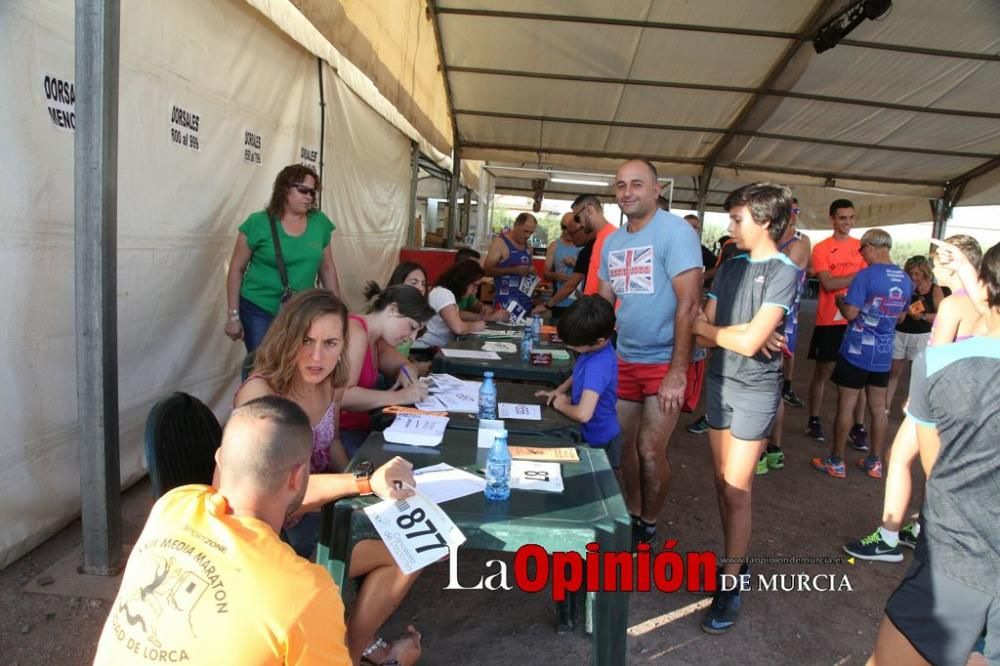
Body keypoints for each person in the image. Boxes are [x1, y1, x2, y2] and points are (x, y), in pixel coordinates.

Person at [95, 397, 421, 665]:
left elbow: (271, 493)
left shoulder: (174, 505)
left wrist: (361, 482)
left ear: (221, 459)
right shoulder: (306, 591)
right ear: (296, 477)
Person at [234, 290, 422, 664]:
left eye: (330, 343)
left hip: (317, 507)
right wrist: (363, 484)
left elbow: (331, 443)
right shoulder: (263, 393)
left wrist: (364, 490)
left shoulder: (329, 384)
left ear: (343, 345)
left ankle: (349, 648)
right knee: (409, 552)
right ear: (287, 338)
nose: (317, 356)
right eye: (306, 341)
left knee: (415, 532)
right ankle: (352, 653)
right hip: (270, 533)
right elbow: (269, 498)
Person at [865, 241, 1000, 666]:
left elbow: (936, 468)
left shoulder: (940, 364)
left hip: (957, 563)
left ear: (986, 285)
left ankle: (890, 533)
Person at [692, 183, 798, 634]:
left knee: (737, 490)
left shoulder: (786, 271)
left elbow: (733, 336)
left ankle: (731, 580)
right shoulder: (731, 265)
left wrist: (729, 333)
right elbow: (699, 331)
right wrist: (740, 333)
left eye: (738, 219)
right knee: (720, 485)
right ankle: (733, 559)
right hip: (720, 382)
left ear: (767, 222)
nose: (730, 226)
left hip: (755, 389)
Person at [843, 235, 983, 562]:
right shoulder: (986, 304)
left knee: (915, 463)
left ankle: (892, 538)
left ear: (954, 261)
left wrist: (917, 398)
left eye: (938, 260)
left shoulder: (953, 304)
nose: (933, 267)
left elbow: (936, 356)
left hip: (937, 400)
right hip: (965, 397)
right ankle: (918, 529)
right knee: (920, 463)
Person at [597, 159, 703, 549]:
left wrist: (678, 370)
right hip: (625, 356)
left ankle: (650, 523)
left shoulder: (675, 232)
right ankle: (633, 512)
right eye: (621, 185)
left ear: (657, 190)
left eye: (637, 184)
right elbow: (604, 305)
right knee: (623, 444)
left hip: (664, 361)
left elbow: (689, 304)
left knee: (649, 448)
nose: (627, 192)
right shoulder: (612, 241)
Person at [812, 229, 912, 479]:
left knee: (846, 403)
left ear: (872, 246)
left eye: (862, 250)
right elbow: (900, 317)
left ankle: (836, 460)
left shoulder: (865, 276)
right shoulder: (904, 279)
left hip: (857, 348)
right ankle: (875, 462)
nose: (861, 255)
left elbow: (851, 314)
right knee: (879, 408)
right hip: (883, 351)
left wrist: (840, 303)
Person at [224, 164, 341, 352]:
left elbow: (327, 268)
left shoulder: (320, 222)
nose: (309, 197)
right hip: (258, 308)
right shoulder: (257, 223)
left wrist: (338, 309)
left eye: (312, 192)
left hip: (301, 310)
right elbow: (236, 270)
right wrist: (233, 316)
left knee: (295, 366)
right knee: (261, 367)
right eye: (303, 190)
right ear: (285, 188)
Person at [339, 285, 436, 456]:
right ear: (392, 309)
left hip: (361, 428)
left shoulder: (377, 340)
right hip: (342, 435)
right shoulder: (356, 332)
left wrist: (408, 377)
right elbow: (343, 396)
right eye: (412, 327)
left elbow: (406, 366)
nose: (412, 338)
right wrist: (399, 396)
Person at [534, 296, 622, 480]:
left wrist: (561, 405)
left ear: (599, 340)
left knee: (593, 489)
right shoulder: (594, 350)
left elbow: (583, 414)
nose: (570, 346)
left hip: (599, 439)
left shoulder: (598, 364)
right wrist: (559, 389)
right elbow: (578, 373)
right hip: (591, 433)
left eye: (574, 345)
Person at [805, 199, 868, 444]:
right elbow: (827, 284)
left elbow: (862, 281)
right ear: (832, 219)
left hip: (857, 320)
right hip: (828, 320)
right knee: (823, 371)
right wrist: (858, 276)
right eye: (843, 218)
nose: (848, 223)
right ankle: (814, 420)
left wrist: (845, 279)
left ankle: (859, 426)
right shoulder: (821, 248)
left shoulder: (862, 247)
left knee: (858, 375)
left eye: (851, 217)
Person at [757, 197, 812, 475]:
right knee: (765, 387)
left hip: (780, 323)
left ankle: (768, 449)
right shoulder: (772, 241)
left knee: (769, 389)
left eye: (794, 212)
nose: (791, 216)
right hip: (764, 321)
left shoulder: (799, 242)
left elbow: (777, 275)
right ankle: (769, 448)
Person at [885, 255, 944, 414]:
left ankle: (911, 406)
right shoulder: (905, 287)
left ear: (925, 273)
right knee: (894, 370)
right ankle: (885, 406)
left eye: (917, 274)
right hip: (901, 332)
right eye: (910, 273)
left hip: (922, 336)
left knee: (916, 373)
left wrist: (923, 316)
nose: (913, 277)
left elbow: (942, 315)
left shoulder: (935, 289)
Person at [365, 261, 429, 358]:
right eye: (414, 283)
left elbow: (403, 352)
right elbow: (381, 355)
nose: (420, 288)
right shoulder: (386, 312)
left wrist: (411, 363)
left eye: (423, 284)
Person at [417, 260, 488, 347]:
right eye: (474, 285)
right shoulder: (444, 294)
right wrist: (475, 326)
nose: (475, 291)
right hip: (427, 349)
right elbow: (459, 328)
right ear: (464, 281)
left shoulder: (442, 292)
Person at [483, 212, 538, 314]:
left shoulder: (528, 247)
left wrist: (532, 271)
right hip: (505, 305)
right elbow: (486, 270)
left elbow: (531, 270)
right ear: (516, 226)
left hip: (525, 305)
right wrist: (513, 270)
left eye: (531, 233)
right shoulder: (499, 243)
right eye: (525, 231)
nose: (528, 236)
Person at [540, 212, 582, 319]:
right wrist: (556, 276)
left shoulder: (583, 246)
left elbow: (592, 274)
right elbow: (546, 273)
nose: (567, 231)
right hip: (558, 302)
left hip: (579, 303)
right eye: (564, 227)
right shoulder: (554, 245)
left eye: (570, 228)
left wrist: (575, 265)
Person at [574, 193, 617, 296]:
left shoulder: (611, 238)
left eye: (577, 218)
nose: (578, 224)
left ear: (589, 210)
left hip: (600, 308)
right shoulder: (602, 237)